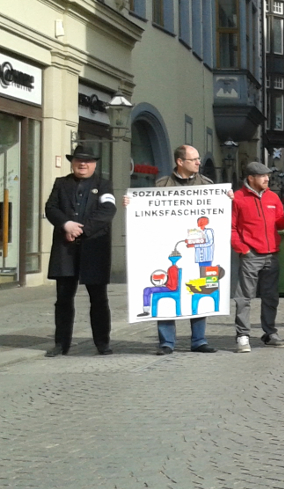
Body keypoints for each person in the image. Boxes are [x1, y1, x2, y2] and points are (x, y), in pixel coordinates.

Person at [124, 145, 229, 355]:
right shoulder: (162, 184)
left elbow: (217, 213)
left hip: (199, 254)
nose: (199, 163)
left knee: (200, 287)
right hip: (169, 247)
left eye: (199, 159)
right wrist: (132, 204)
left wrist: (227, 199)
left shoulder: (206, 185)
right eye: (194, 159)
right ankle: (166, 342)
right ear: (180, 162)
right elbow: (149, 211)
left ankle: (199, 340)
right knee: (167, 285)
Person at [44, 144, 116, 357]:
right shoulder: (61, 183)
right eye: (78, 160)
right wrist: (66, 225)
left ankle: (102, 343)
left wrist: (80, 230)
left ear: (94, 164)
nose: (82, 164)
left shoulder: (104, 185)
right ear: (72, 163)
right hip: (65, 250)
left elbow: (107, 211)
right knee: (64, 299)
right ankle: (61, 344)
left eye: (87, 161)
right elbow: (50, 208)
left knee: (99, 299)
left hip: (94, 250)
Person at [231, 161, 284, 353]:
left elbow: (279, 224)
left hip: (272, 254)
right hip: (251, 254)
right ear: (251, 178)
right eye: (263, 176)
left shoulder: (273, 197)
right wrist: (242, 249)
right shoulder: (237, 198)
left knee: (271, 297)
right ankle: (242, 335)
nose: (267, 179)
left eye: (268, 175)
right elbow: (231, 227)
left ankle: (270, 333)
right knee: (244, 297)